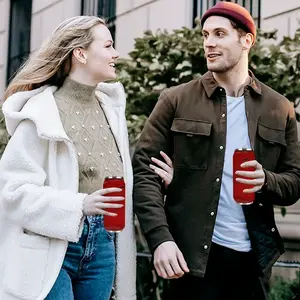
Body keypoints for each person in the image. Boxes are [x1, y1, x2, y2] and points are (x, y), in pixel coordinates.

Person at [132, 2, 300, 300]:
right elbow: (144, 172)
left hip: (253, 262)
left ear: (246, 40)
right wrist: (160, 239)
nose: (209, 42)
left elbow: (294, 182)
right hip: (192, 260)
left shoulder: (279, 108)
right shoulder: (175, 100)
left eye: (220, 34)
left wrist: (266, 181)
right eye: (206, 35)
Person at [0, 16, 170, 300]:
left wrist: (161, 184)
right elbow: (12, 192)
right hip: (51, 247)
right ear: (80, 54)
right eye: (108, 45)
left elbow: (116, 179)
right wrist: (79, 205)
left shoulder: (111, 110)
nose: (116, 54)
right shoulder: (40, 113)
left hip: (104, 243)